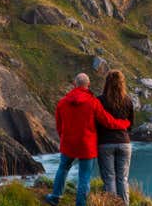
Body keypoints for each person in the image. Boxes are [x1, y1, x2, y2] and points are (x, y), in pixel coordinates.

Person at [45, 73, 131, 206]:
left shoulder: (62, 103)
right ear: (88, 85)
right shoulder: (93, 102)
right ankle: (81, 204)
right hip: (87, 145)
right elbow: (107, 121)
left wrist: (64, 137)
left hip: (68, 144)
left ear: (74, 84)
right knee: (84, 176)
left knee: (63, 168)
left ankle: (55, 197)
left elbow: (59, 126)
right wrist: (124, 124)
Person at [96, 70, 135, 206]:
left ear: (107, 83)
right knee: (123, 179)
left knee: (109, 179)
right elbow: (130, 124)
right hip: (124, 142)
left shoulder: (100, 100)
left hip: (105, 143)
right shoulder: (128, 100)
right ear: (122, 83)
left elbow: (95, 123)